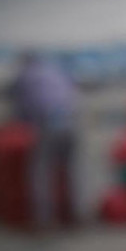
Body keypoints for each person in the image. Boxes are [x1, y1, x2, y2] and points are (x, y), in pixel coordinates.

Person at [12, 52, 79, 228]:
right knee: (71, 172)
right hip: (70, 123)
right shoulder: (56, 71)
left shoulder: (25, 76)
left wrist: (23, 124)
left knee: (40, 172)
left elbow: (21, 108)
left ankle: (44, 219)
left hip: (47, 125)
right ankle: (75, 214)